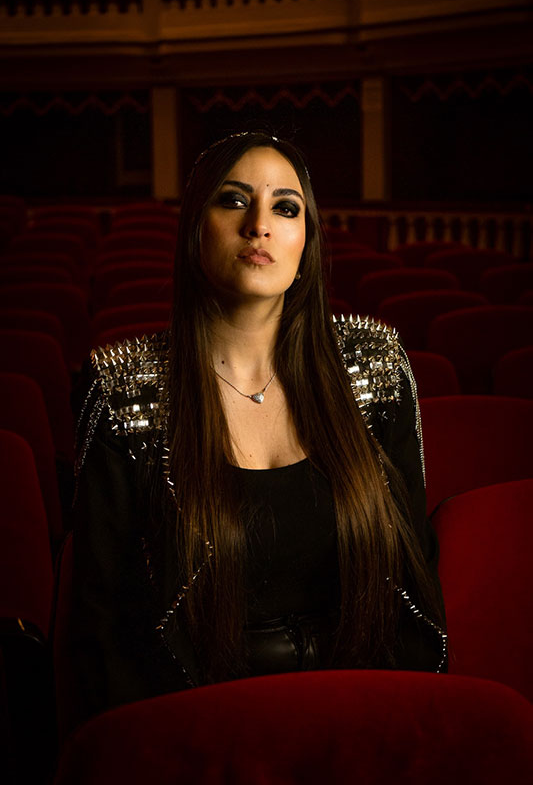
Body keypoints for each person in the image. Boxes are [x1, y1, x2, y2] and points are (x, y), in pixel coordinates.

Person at [71, 131, 447, 725]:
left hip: (357, 712)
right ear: (195, 229)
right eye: (233, 200)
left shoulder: (375, 368)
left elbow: (413, 582)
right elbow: (102, 623)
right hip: (195, 723)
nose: (260, 226)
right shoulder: (123, 390)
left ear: (307, 240)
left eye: (286, 208)